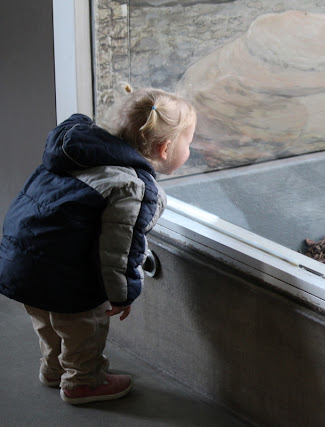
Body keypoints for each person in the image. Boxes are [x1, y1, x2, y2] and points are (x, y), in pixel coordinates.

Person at [0, 86, 196, 404]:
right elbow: (121, 250)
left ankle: (53, 369)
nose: (192, 148)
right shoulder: (132, 187)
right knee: (84, 331)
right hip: (66, 276)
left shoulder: (75, 150)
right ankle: (82, 383)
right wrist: (123, 294)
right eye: (189, 142)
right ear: (164, 148)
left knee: (48, 323)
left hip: (20, 262)